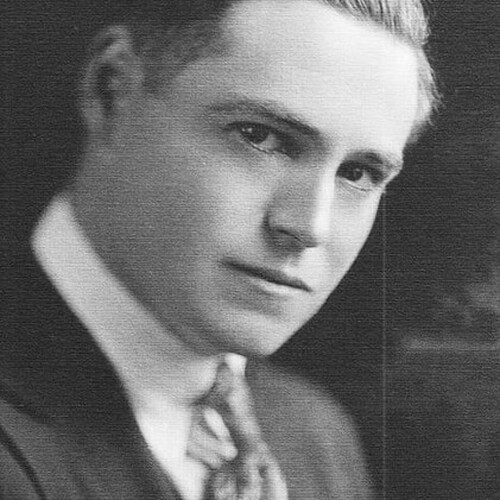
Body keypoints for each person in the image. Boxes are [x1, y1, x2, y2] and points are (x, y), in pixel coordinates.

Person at [0, 0, 436, 498]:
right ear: (112, 92)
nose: (309, 227)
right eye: (260, 136)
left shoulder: (315, 433)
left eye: (358, 173)